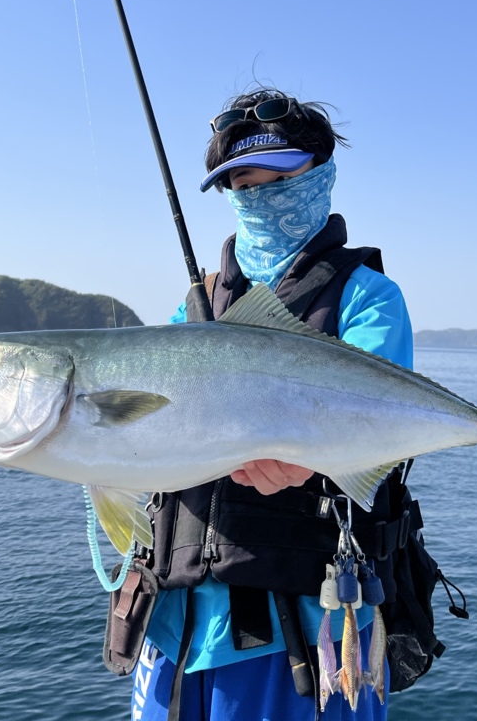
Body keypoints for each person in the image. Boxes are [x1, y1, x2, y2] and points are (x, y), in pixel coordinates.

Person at [131, 88, 415, 721]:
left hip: (306, 629)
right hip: (174, 624)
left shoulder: (368, 297)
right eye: (240, 181)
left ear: (322, 171)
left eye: (277, 175)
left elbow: (380, 427)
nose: (257, 193)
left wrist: (312, 458)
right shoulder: (197, 304)